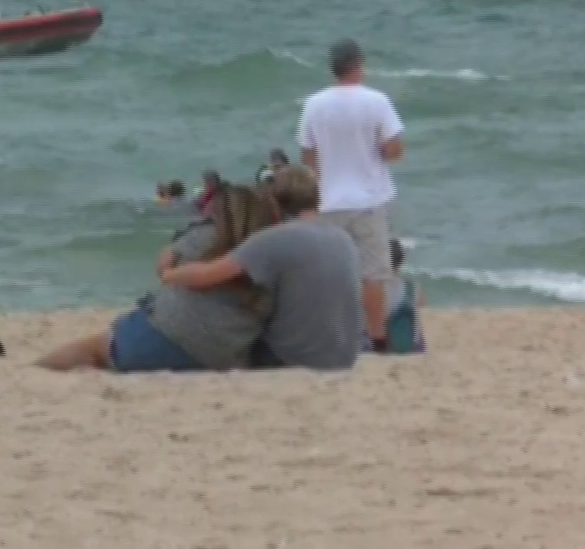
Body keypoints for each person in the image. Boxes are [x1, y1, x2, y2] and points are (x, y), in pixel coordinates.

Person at [36, 165, 361, 372]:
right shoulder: (343, 237)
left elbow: (208, 275)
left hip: (290, 361)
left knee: (98, 345)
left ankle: (37, 371)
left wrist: (170, 276)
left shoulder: (273, 241)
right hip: (346, 355)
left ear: (275, 203)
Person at [295, 39, 404, 353]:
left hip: (328, 199)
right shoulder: (377, 101)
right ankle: (378, 337)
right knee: (373, 273)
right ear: (358, 65)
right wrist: (378, 152)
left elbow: (308, 153)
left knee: (329, 271)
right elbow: (395, 148)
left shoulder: (314, 104)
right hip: (368, 199)